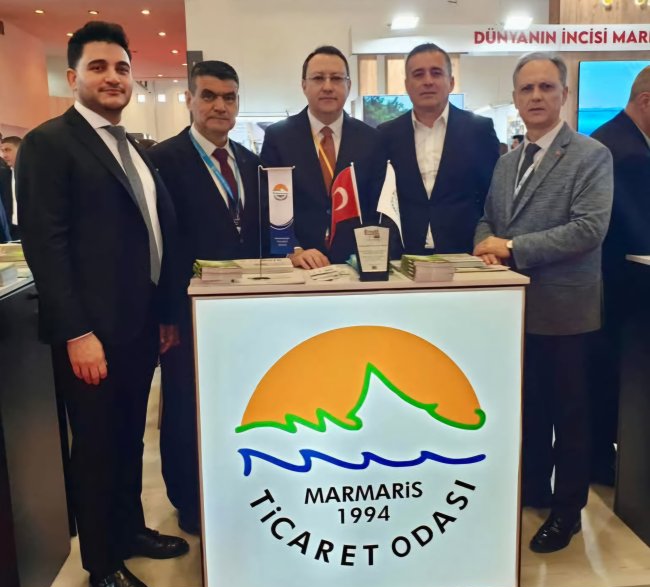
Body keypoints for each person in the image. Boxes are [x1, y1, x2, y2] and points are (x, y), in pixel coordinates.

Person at [16, 21, 188, 587]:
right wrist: (76, 332)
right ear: (73, 77)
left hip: (138, 328)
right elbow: (46, 245)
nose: (112, 77)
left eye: (121, 68)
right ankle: (103, 568)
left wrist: (164, 315)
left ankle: (129, 528)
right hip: (91, 334)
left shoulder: (131, 146)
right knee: (94, 448)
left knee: (126, 438)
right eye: (98, 67)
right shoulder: (49, 143)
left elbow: (149, 233)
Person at [474, 52, 613, 553]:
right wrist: (485, 245)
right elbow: (488, 219)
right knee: (527, 408)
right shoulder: (507, 161)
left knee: (569, 416)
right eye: (527, 89)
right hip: (514, 310)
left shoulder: (591, 155)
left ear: (564, 95)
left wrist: (511, 247)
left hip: (566, 310)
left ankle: (567, 511)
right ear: (514, 98)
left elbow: (589, 229)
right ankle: (532, 490)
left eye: (546, 87)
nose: (536, 96)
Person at [149, 60, 264, 535]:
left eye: (229, 97)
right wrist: (166, 314)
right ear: (190, 100)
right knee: (185, 407)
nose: (220, 106)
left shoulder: (251, 163)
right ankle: (188, 499)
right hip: (187, 313)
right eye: (210, 96)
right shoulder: (162, 160)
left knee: (236, 404)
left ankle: (233, 489)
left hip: (244, 314)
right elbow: (158, 245)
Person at [261, 45, 385, 268]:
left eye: (336, 78)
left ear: (348, 85)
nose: (328, 87)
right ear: (304, 85)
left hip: (357, 265)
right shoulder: (279, 137)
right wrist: (293, 250)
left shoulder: (371, 139)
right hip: (301, 265)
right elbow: (269, 204)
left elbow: (377, 207)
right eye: (318, 78)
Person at [378, 43, 499, 255]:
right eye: (418, 74)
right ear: (407, 85)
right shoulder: (386, 134)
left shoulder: (479, 130)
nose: (428, 81)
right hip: (404, 254)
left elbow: (491, 196)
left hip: (465, 253)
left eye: (436, 73)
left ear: (451, 82)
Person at [589, 66, 650, 486]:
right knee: (609, 378)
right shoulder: (629, 153)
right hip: (620, 288)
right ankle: (603, 461)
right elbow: (639, 233)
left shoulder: (609, 138)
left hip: (606, 286)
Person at [0, 136, 22, 238]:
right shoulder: (4, 175)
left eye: (8, 150)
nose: (4, 155)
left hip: (34, 226)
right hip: (13, 228)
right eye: (2, 151)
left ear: (20, 149)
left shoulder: (34, 174)